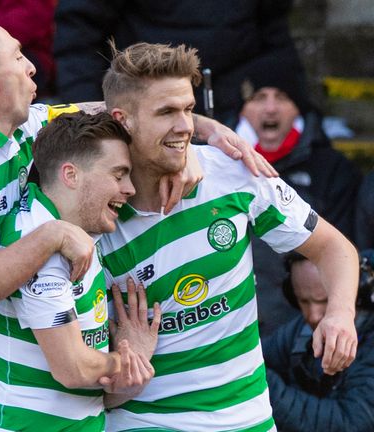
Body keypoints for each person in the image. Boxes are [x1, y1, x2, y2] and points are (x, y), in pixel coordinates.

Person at [0, 20, 272, 432]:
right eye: (18, 56)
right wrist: (53, 235)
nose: (32, 65)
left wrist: (196, 135)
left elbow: (119, 114)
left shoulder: (17, 130)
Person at [98, 42, 359, 431]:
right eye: (166, 112)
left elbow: (332, 247)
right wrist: (125, 366)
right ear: (122, 120)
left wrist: (340, 314)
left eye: (189, 109)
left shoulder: (233, 172)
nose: (186, 126)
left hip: (249, 419)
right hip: (144, 422)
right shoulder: (94, 213)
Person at [0, 111, 159, 431]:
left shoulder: (77, 227)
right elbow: (72, 369)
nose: (130, 188)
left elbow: (93, 395)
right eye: (118, 175)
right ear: (71, 175)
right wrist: (132, 359)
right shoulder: (36, 243)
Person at [232, 56, 362, 334]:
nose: (270, 109)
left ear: (298, 107)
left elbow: (342, 252)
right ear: (242, 109)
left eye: (281, 97)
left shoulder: (333, 169)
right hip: (234, 328)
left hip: (304, 328)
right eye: (258, 97)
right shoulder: (219, 165)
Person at [53, 0, 306, 122]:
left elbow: (275, 35)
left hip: (238, 110)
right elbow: (78, 35)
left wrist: (301, 109)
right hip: (141, 108)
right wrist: (91, 114)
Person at [263, 252, 374, 432]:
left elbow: (351, 422)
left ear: (357, 293)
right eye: (303, 301)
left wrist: (260, 383)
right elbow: (260, 357)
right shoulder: (299, 330)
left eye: (324, 300)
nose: (313, 315)